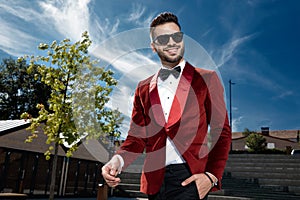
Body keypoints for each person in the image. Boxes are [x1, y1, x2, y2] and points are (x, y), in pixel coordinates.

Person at [102, 12, 231, 200]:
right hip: (154, 182)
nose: (172, 42)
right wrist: (117, 160)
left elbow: (222, 131)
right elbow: (137, 138)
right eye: (163, 38)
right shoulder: (143, 88)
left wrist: (211, 176)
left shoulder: (207, 78)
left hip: (190, 179)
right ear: (153, 47)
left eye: (176, 36)